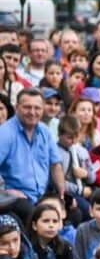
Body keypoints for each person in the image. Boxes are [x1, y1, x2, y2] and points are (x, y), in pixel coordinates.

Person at [0, 88, 67, 221]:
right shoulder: (5, 133)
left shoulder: (45, 131)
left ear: (43, 110)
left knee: (74, 210)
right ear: (17, 107)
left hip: (41, 195)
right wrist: (4, 192)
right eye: (27, 107)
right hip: (15, 198)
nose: (32, 112)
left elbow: (55, 165)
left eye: (37, 108)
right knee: (33, 214)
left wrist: (62, 195)